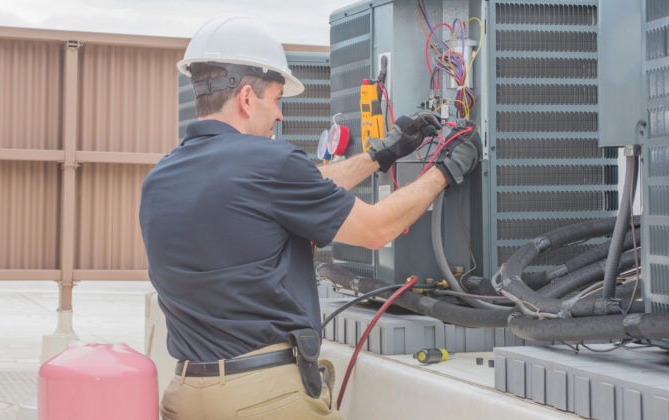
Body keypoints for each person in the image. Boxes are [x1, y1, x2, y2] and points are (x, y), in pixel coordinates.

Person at [139, 15, 481, 420]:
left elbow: (303, 187)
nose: (280, 115)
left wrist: (381, 155)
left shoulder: (162, 176)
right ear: (247, 98)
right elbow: (376, 229)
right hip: (262, 398)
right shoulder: (269, 163)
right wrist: (445, 170)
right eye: (276, 99)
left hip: (186, 394)